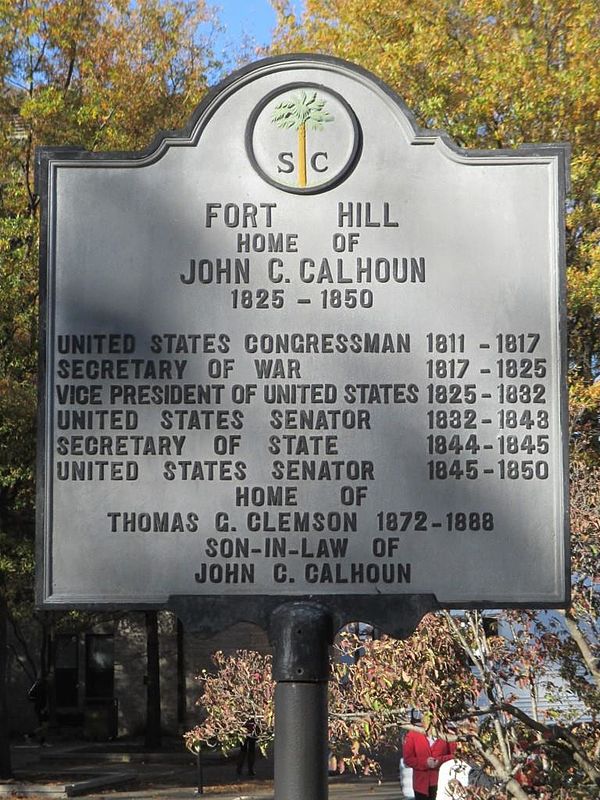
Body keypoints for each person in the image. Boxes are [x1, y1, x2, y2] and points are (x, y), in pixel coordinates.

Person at [402, 712, 457, 800]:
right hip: (420, 785)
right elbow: (408, 759)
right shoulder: (412, 735)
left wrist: (440, 761)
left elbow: (456, 756)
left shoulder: (448, 734)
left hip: (442, 782)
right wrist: (425, 763)